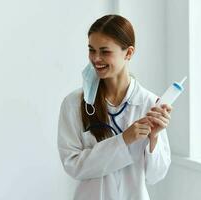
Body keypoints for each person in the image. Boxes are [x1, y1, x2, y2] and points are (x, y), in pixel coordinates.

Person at [57, 14, 172, 200]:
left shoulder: (150, 104)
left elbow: (155, 176)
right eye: (91, 50)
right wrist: (123, 140)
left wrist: (154, 138)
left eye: (105, 51)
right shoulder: (74, 103)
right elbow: (73, 165)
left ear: (128, 53)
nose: (96, 58)